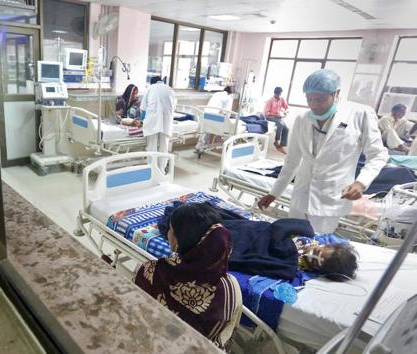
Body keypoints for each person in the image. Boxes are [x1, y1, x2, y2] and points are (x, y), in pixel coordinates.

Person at [257, 69, 388, 234]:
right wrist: (274, 193)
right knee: (292, 241)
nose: (314, 104)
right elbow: (292, 162)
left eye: (320, 99)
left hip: (330, 198)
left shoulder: (359, 115)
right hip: (301, 195)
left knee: (316, 248)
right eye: (309, 99)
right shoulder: (302, 119)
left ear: (336, 94)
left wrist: (361, 182)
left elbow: (378, 154)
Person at [134, 202, 242, 350]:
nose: (167, 233)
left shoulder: (150, 270)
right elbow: (227, 334)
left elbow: (136, 311)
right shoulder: (230, 288)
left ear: (178, 240)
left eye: (171, 229)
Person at [141, 75, 176, 169]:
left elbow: (143, 109)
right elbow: (174, 107)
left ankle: (151, 169)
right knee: (164, 147)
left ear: (152, 82)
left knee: (151, 146)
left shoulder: (150, 89)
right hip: (166, 122)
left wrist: (141, 121)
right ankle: (161, 170)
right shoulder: (170, 90)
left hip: (152, 120)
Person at [263, 86, 290, 153]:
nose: (278, 96)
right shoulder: (270, 101)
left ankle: (281, 146)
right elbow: (266, 113)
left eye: (280, 94)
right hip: (270, 117)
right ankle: (276, 141)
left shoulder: (281, 99)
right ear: (274, 93)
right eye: (277, 94)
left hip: (278, 117)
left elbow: (287, 107)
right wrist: (276, 115)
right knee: (280, 124)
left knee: (286, 129)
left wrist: (285, 112)